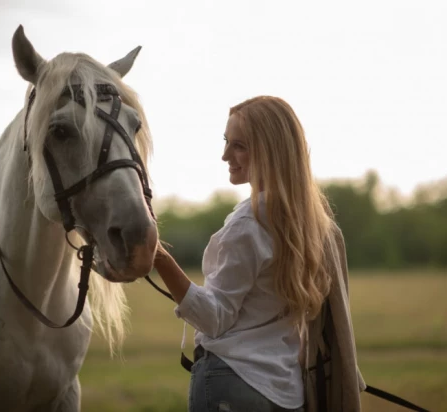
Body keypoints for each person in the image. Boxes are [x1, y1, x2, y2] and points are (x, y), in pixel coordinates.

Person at [153, 96, 365, 412]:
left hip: (231, 381)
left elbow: (214, 318)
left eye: (239, 146)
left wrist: (157, 256)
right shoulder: (312, 226)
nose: (225, 155)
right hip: (288, 393)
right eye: (226, 142)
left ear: (270, 151)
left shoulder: (247, 225)